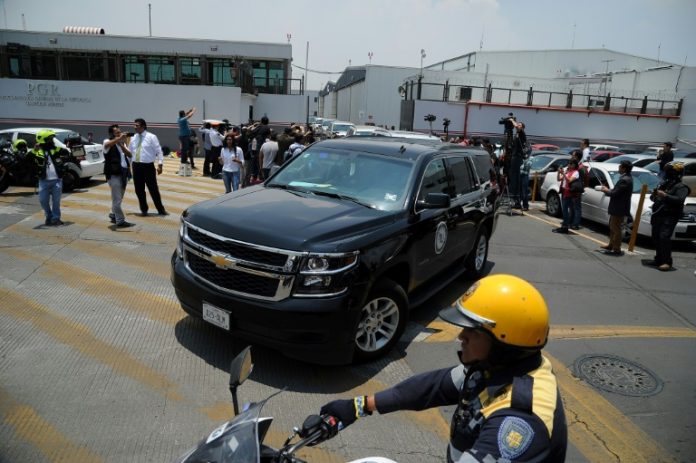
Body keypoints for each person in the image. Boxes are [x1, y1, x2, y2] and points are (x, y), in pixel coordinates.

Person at [320, 274, 567, 462]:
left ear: (503, 342)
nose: (461, 335)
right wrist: (359, 406)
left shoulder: (517, 422)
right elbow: (433, 387)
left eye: (472, 331)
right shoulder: (500, 367)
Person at [644, 161, 691, 271]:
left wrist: (665, 195)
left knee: (664, 237)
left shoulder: (681, 187)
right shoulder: (665, 184)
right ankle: (658, 259)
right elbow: (653, 197)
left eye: (669, 172)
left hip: (670, 216)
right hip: (658, 214)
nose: (666, 174)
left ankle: (666, 262)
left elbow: (679, 200)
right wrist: (655, 194)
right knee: (656, 237)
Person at [28, 130, 71, 226]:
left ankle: (56, 219)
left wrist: (68, 148)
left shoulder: (54, 149)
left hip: (57, 180)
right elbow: (27, 159)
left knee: (56, 202)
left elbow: (65, 152)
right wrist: (34, 150)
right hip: (43, 181)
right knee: (43, 201)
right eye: (50, 139)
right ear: (43, 140)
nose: (52, 141)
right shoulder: (37, 151)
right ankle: (49, 216)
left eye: (52, 139)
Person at [128, 118, 167, 216]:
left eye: (137, 125)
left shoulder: (151, 137)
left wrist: (160, 164)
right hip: (136, 166)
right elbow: (130, 153)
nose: (135, 127)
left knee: (153, 189)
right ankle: (144, 209)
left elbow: (159, 151)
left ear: (143, 126)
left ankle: (160, 209)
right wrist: (128, 167)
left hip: (148, 167)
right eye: (134, 125)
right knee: (139, 190)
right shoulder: (133, 138)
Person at [103, 124, 135, 228]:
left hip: (124, 174)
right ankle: (120, 220)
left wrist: (122, 144)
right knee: (117, 200)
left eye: (120, 132)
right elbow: (107, 145)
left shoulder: (121, 143)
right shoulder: (107, 142)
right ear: (112, 134)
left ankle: (113, 214)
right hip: (113, 174)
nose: (120, 134)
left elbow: (130, 155)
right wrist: (118, 140)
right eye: (117, 133)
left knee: (119, 198)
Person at [598, 160, 633, 255]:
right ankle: (611, 245)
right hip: (618, 207)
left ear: (624, 168)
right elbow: (617, 191)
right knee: (613, 227)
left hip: (619, 208)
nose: (619, 168)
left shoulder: (625, 180)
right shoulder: (626, 178)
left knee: (616, 228)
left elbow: (615, 193)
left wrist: (606, 190)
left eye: (620, 166)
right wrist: (609, 190)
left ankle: (616, 248)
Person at [553, 158, 580, 234]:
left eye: (571, 164)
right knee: (565, 210)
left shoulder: (576, 172)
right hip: (564, 192)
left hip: (569, 193)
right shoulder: (568, 171)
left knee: (565, 210)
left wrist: (564, 174)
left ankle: (565, 227)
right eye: (569, 163)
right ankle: (564, 226)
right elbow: (559, 179)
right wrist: (559, 172)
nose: (569, 165)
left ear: (575, 165)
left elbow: (569, 180)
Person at [508, 122, 527, 208]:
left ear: (522, 127)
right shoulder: (517, 135)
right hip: (514, 157)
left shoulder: (522, 133)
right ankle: (515, 200)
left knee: (517, 180)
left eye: (520, 125)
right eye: (517, 124)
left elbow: (517, 127)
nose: (517, 126)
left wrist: (512, 120)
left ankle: (518, 201)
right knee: (513, 179)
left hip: (518, 158)